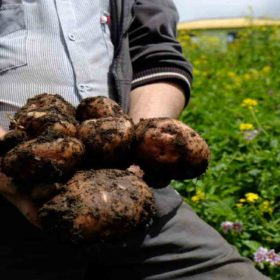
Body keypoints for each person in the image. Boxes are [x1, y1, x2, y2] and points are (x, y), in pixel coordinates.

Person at [0, 0, 270, 279]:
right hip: (14, 196)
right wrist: (9, 168)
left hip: (130, 186)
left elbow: (155, 53)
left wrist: (141, 144)